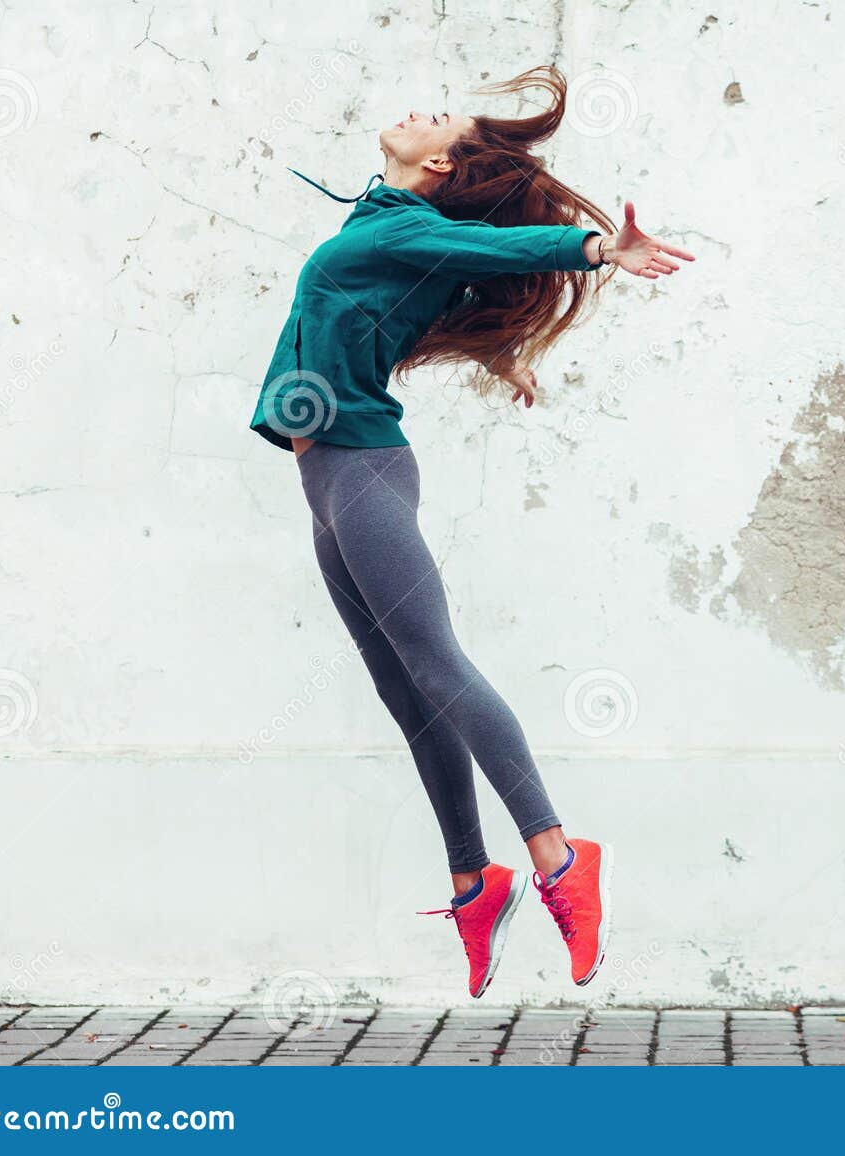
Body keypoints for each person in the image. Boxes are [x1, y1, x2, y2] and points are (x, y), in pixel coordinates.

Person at [248, 66, 694, 996]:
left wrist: (597, 249)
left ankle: (561, 858)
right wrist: (499, 353)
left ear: (441, 160)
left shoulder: (410, 225)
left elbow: (493, 255)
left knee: (438, 665)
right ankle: (473, 882)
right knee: (407, 694)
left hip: (360, 469)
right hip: (328, 476)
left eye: (437, 117)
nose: (416, 108)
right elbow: (427, 294)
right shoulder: (382, 225)